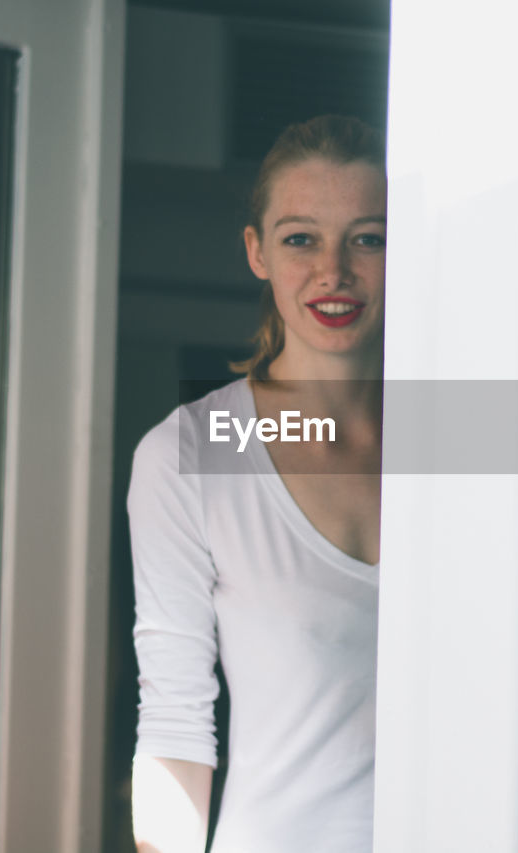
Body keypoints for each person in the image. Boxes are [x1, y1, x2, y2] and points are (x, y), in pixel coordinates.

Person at [129, 115, 386, 853]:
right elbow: (176, 720)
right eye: (301, 238)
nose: (333, 272)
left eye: (368, 238)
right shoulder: (193, 453)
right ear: (257, 252)